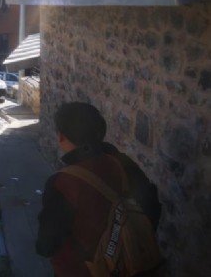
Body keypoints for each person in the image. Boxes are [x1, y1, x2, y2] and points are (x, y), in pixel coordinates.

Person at [36, 102, 161, 276]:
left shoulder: (62, 183)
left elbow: (46, 245)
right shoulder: (122, 163)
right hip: (131, 267)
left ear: (61, 137)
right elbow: (152, 206)